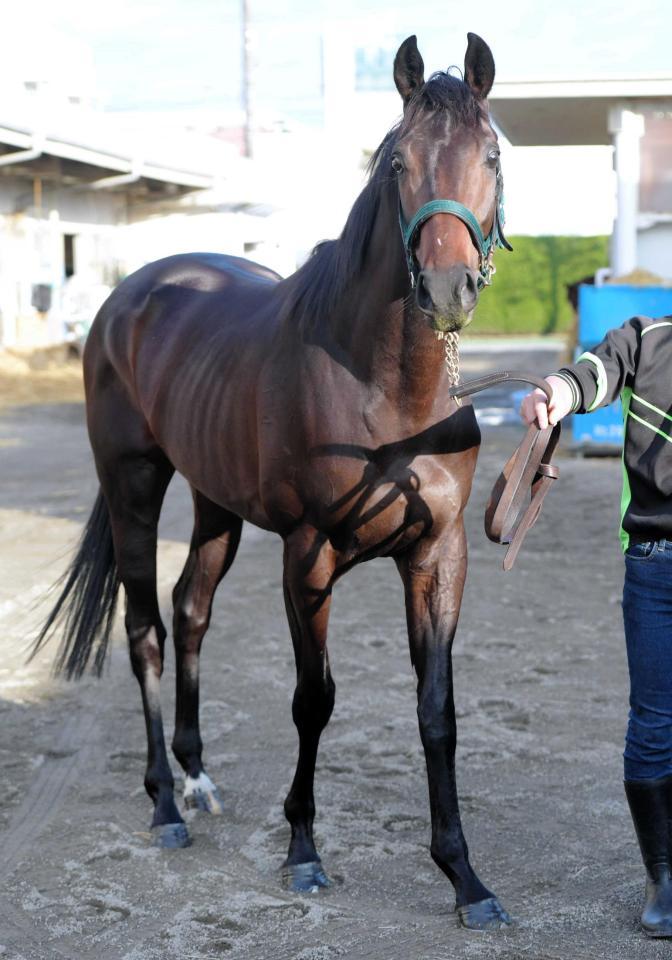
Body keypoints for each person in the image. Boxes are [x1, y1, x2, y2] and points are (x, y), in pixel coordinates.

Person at [520, 314, 672, 938]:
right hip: (656, 565)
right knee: (655, 723)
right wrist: (559, 392)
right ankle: (663, 875)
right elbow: (595, 373)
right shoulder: (648, 337)